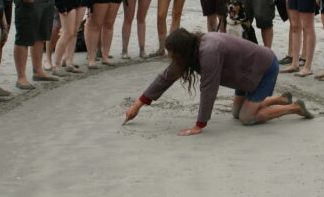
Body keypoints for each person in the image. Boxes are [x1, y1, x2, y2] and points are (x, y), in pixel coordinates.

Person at [124, 28, 314, 135]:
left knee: (246, 118)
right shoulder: (194, 48)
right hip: (242, 74)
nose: (171, 58)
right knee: (236, 113)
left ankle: (294, 108)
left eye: (173, 54)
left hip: (263, 69)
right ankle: (280, 99)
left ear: (183, 51)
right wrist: (137, 105)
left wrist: (199, 125)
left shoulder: (209, 52)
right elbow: (166, 77)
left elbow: (209, 89)